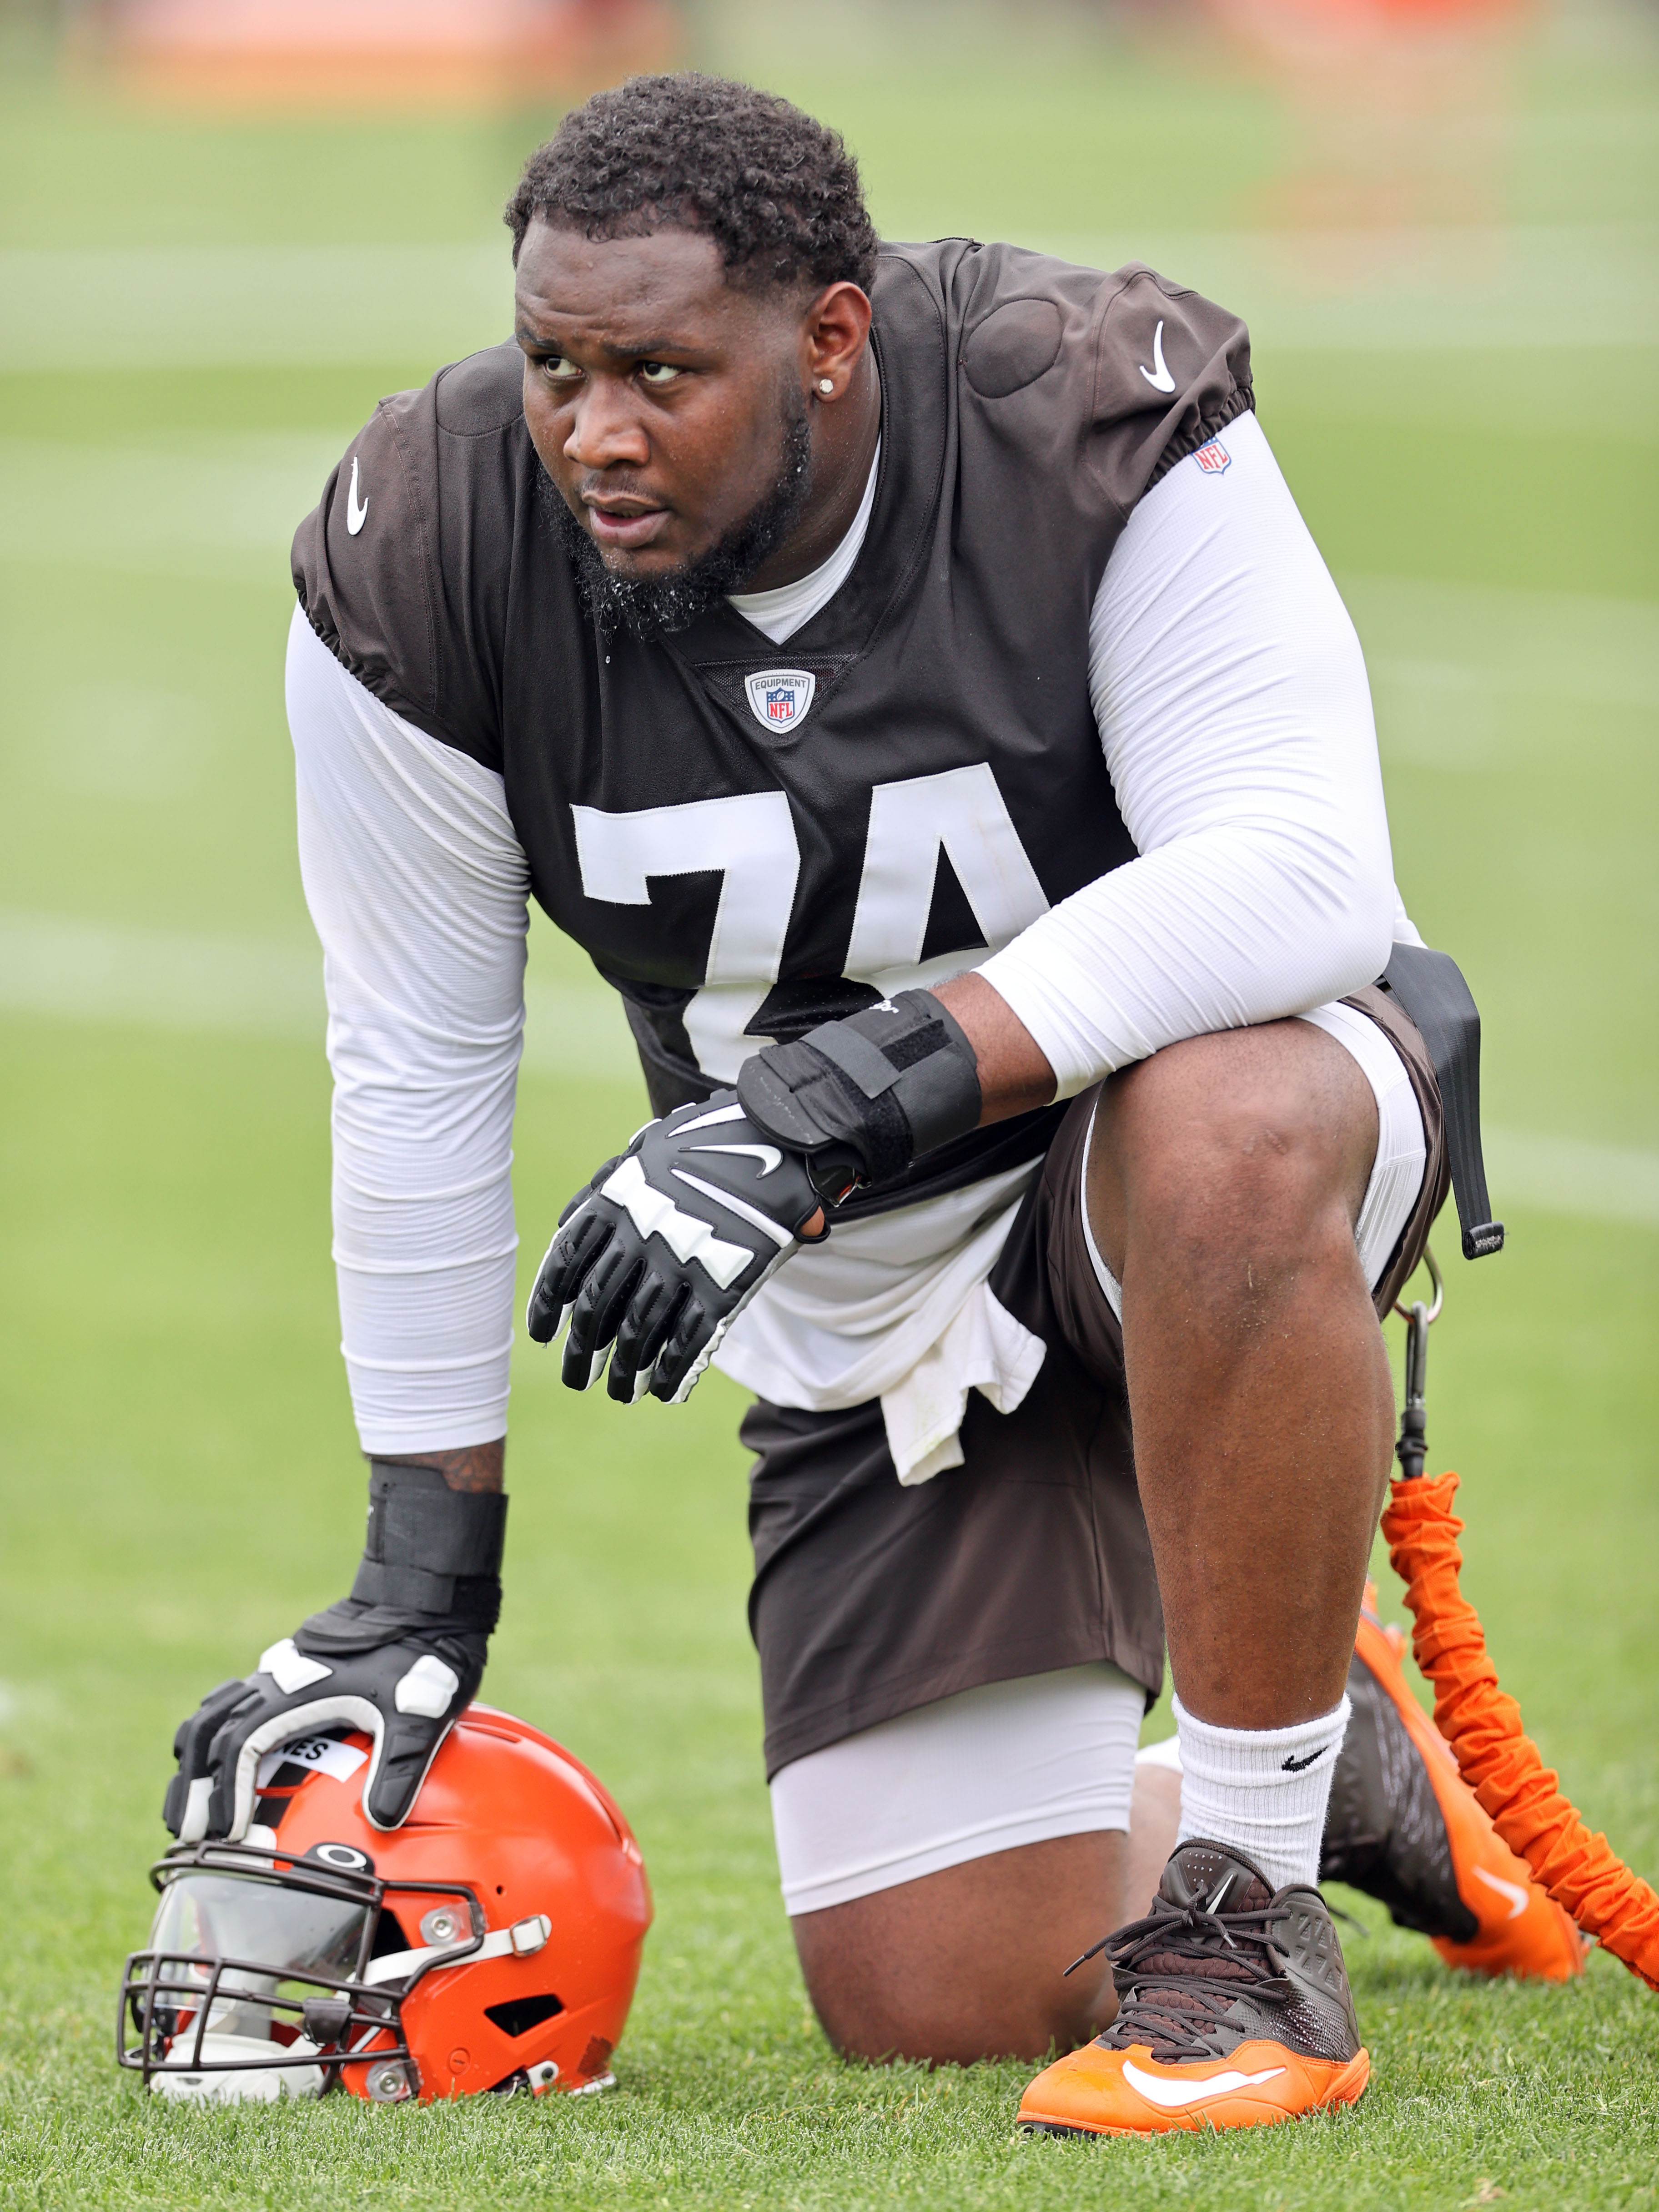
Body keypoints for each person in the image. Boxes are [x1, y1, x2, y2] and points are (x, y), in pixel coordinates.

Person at [162, 74, 1582, 2133]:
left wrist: (851, 1088)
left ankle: (1252, 1905)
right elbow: (412, 1053)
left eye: (661, 371)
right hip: (876, 1294)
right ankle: (1333, 1752)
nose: (595, 433)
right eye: (556, 364)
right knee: (934, 1986)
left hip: (1186, 1161)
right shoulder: (432, 543)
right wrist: (418, 1565)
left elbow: (1299, 870)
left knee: (1234, 1119)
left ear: (832, 336)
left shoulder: (1081, 414)